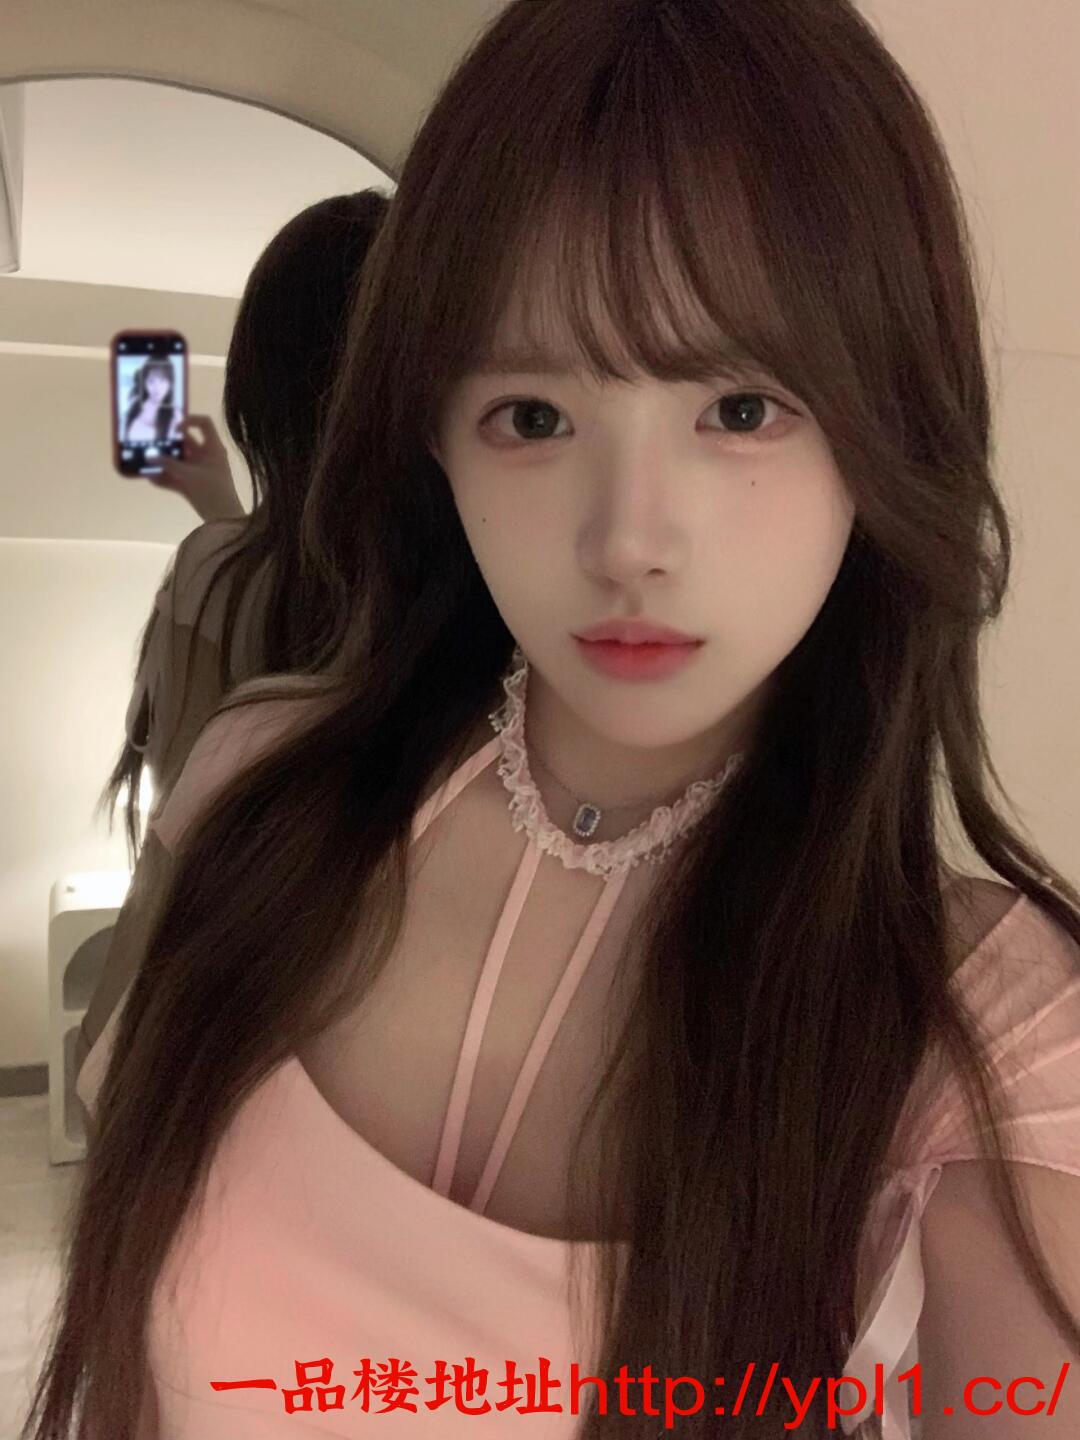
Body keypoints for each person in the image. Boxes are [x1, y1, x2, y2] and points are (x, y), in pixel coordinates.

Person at [28, 1, 1080, 1438]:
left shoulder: (989, 1042)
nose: (627, 539)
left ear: (890, 419)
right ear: (436, 438)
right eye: (532, 415)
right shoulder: (261, 796)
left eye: (741, 407)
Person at [99, 188, 392, 861]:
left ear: (258, 387)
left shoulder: (214, 570)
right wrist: (223, 510)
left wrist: (224, 532)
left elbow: (187, 807)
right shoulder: (468, 583)